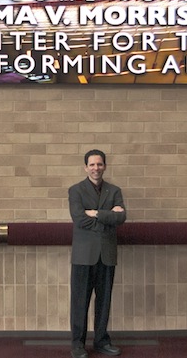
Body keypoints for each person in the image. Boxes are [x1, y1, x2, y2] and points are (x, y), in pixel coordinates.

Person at [68, 149, 127, 358]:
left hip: (107, 255)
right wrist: (108, 216)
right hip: (84, 256)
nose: (96, 168)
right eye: (92, 165)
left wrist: (95, 213)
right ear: (86, 167)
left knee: (104, 301)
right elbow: (79, 219)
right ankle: (77, 345)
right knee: (79, 302)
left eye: (99, 164)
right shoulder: (76, 191)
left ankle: (102, 341)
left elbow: (121, 218)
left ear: (105, 166)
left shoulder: (115, 190)